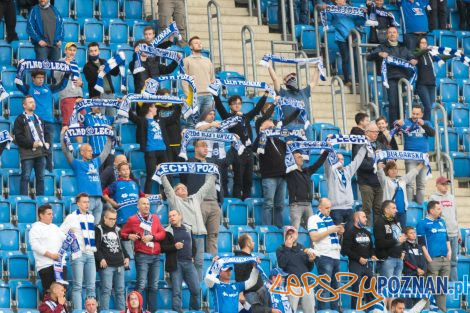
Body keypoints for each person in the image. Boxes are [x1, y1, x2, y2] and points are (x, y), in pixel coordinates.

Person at [161, 170, 216, 280]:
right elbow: (167, 189)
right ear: (175, 193)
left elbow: (206, 187)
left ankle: (198, 288)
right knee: (184, 264)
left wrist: (214, 174)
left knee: (199, 263)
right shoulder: (175, 201)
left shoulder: (195, 198)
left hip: (200, 236)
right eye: (178, 189)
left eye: (184, 188)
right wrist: (162, 175)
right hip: (186, 236)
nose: (182, 190)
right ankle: (184, 287)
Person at [214, 92, 268, 200]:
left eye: (239, 103)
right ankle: (238, 201)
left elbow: (257, 109)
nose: (237, 105)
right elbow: (219, 107)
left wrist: (265, 96)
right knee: (238, 180)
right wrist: (215, 94)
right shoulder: (228, 117)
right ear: (230, 105)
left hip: (249, 151)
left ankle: (246, 201)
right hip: (237, 151)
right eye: (234, 103)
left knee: (248, 180)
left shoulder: (246, 117)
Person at [16, 69, 69, 171]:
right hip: (34, 123)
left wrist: (66, 75)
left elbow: (61, 86)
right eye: (38, 78)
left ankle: (48, 171)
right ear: (33, 79)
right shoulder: (29, 88)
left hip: (49, 122)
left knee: (48, 147)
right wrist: (20, 70)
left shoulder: (48, 88)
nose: (41, 80)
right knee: (35, 146)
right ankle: (34, 171)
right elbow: (18, 84)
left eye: (42, 78)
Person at [120, 197, 166, 313]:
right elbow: (122, 233)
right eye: (144, 204)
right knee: (141, 284)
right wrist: (128, 236)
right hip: (142, 255)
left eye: (148, 204)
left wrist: (153, 237)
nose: (147, 206)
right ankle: (136, 311)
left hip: (155, 256)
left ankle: (151, 311)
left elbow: (163, 233)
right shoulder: (132, 219)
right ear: (138, 206)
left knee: (154, 286)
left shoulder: (155, 218)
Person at [367, 26, 418, 124]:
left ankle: (401, 125)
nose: (392, 34)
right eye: (390, 32)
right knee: (393, 103)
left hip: (403, 77)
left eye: (394, 32)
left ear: (397, 35)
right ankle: (393, 126)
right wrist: (379, 54)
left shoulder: (403, 46)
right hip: (391, 77)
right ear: (387, 35)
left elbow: (411, 56)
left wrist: (413, 60)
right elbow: (369, 57)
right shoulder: (382, 46)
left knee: (402, 104)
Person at [179, 140, 223, 255]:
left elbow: (226, 162)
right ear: (196, 148)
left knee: (213, 235)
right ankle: (197, 259)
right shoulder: (189, 163)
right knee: (197, 234)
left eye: (206, 146)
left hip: (214, 203)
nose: (206, 148)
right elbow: (183, 178)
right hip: (199, 203)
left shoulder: (212, 163)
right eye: (202, 146)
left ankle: (213, 262)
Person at [61, 127, 112, 224]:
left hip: (98, 199)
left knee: (95, 228)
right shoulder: (77, 164)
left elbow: (105, 152)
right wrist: (62, 135)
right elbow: (66, 151)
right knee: (87, 227)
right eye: (88, 150)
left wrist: (109, 136)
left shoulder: (95, 162)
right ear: (82, 152)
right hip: (87, 199)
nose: (91, 152)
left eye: (91, 150)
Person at [129, 102, 181, 194]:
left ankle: (167, 196)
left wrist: (180, 106)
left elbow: (173, 118)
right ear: (150, 108)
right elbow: (132, 116)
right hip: (150, 151)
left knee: (166, 175)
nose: (156, 109)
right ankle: (147, 196)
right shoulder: (143, 120)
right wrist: (126, 104)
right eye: (154, 107)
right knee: (151, 175)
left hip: (163, 150)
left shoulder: (160, 120)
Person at [60, 193, 97, 310]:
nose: (87, 204)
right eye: (84, 202)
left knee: (91, 286)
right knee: (78, 286)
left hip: (90, 254)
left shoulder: (91, 217)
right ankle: (78, 311)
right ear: (78, 204)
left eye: (88, 202)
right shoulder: (71, 217)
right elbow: (61, 232)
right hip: (78, 255)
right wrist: (71, 243)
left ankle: (92, 310)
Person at [160, 209, 200, 313]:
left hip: (189, 263)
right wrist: (174, 246)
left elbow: (193, 245)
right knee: (177, 292)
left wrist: (193, 255)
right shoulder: (167, 231)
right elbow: (162, 248)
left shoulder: (188, 228)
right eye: (169, 216)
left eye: (173, 215)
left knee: (196, 289)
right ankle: (177, 311)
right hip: (175, 264)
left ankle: (194, 311)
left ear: (180, 216)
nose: (171, 218)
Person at [308, 198, 344, 311]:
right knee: (324, 287)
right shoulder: (313, 219)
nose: (329, 210)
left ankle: (334, 310)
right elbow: (314, 237)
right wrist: (331, 230)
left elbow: (331, 239)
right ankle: (322, 310)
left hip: (335, 256)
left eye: (330, 208)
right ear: (320, 207)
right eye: (327, 208)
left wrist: (339, 233)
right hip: (324, 256)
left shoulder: (330, 220)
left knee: (336, 288)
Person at [395, 104, 435, 204]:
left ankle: (420, 207)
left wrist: (423, 125)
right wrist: (397, 124)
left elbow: (432, 133)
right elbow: (395, 129)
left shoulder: (426, 123)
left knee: (421, 185)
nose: (415, 116)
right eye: (413, 113)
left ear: (421, 114)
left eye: (417, 114)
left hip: (423, 158)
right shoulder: (406, 122)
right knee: (409, 183)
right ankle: (409, 207)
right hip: (410, 157)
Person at [320, 0, 365, 86]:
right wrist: (324, 9)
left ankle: (357, 80)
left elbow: (359, 21)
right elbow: (327, 19)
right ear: (336, 1)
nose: (343, 0)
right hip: (341, 38)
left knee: (356, 58)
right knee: (346, 58)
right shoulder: (332, 8)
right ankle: (347, 80)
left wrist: (363, 13)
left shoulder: (351, 9)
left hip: (352, 36)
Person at [416, 201, 451, 311]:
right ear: (431, 210)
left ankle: (442, 310)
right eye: (438, 209)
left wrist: (449, 251)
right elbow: (421, 243)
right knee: (430, 288)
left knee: (442, 289)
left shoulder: (442, 222)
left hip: (445, 259)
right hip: (433, 260)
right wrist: (428, 258)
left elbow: (447, 238)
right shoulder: (422, 223)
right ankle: (425, 310)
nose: (440, 211)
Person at [13, 95, 51, 196]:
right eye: (30, 102)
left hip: (41, 153)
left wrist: (48, 142)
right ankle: (24, 200)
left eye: (33, 102)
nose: (33, 104)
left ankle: (41, 201)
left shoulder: (39, 118)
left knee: (41, 178)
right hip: (27, 154)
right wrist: (32, 144)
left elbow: (46, 133)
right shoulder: (20, 119)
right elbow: (19, 137)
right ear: (24, 105)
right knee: (25, 177)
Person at [95, 207, 130, 311]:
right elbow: (95, 247)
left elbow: (121, 246)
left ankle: (121, 311)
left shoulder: (117, 229)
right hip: (107, 266)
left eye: (114, 219)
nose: (113, 221)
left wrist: (127, 256)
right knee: (106, 291)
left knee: (120, 291)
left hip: (120, 265)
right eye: (110, 219)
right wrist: (101, 258)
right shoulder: (98, 229)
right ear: (104, 218)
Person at [341, 211, 377, 309]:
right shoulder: (349, 232)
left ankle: (371, 309)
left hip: (366, 265)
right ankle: (355, 310)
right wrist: (358, 258)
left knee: (370, 288)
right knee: (356, 289)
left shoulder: (367, 233)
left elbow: (371, 247)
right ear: (357, 218)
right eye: (364, 217)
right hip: (355, 264)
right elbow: (345, 250)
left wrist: (373, 255)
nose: (366, 219)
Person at [255, 119, 287, 228]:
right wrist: (260, 134)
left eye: (273, 128)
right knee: (268, 204)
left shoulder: (279, 141)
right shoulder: (262, 141)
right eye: (269, 128)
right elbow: (254, 148)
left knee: (280, 205)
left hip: (282, 177)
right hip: (269, 177)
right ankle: (267, 228)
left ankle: (279, 228)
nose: (272, 130)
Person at [325, 145, 368, 226]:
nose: (341, 161)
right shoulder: (330, 171)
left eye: (342, 159)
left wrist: (365, 147)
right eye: (338, 159)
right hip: (336, 209)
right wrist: (327, 147)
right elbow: (326, 163)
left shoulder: (348, 171)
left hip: (349, 208)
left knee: (349, 235)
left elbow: (357, 161)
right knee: (338, 234)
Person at [276, 226, 316, 313]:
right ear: (285, 236)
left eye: (293, 233)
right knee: (291, 311)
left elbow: (309, 268)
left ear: (297, 235)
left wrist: (311, 261)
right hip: (292, 285)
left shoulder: (303, 248)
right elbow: (282, 265)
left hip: (306, 284)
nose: (291, 236)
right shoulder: (281, 249)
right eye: (289, 234)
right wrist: (287, 248)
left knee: (310, 311)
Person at [286, 150, 328, 230]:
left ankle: (313, 243)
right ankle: (293, 243)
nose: (301, 159)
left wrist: (326, 152)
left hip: (308, 205)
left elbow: (317, 164)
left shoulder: (307, 171)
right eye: (299, 157)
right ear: (292, 160)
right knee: (295, 230)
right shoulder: (290, 172)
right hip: (296, 205)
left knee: (313, 230)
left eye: (301, 157)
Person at [353, 122, 386, 223]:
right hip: (366, 182)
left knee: (379, 209)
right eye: (373, 132)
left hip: (379, 182)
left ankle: (377, 233)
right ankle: (367, 232)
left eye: (377, 132)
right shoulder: (359, 145)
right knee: (366, 209)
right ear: (366, 132)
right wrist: (375, 163)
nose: (376, 134)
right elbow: (360, 163)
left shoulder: (380, 145)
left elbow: (384, 160)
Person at [429, 176, 460, 282]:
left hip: (454, 233)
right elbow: (431, 217)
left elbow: (455, 216)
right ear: (437, 185)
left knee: (454, 262)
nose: (445, 186)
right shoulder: (433, 198)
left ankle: (454, 286)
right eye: (443, 184)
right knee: (442, 262)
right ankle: (443, 286)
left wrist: (459, 232)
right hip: (442, 235)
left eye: (446, 184)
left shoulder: (452, 197)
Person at [30, 204, 67, 292]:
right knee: (50, 293)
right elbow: (35, 246)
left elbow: (65, 239)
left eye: (52, 214)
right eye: (49, 214)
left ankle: (61, 306)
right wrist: (51, 255)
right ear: (41, 215)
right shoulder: (35, 229)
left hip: (60, 265)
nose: (52, 216)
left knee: (62, 292)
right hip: (46, 266)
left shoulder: (55, 227)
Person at [131, 26, 180, 92]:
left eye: (149, 34)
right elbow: (133, 64)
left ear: (154, 35)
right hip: (141, 94)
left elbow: (168, 69)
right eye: (146, 34)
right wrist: (137, 52)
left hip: (155, 88)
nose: (147, 36)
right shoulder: (135, 62)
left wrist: (177, 59)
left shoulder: (155, 60)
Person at [377, 161, 424, 227]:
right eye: (391, 169)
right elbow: (380, 175)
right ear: (387, 171)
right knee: (392, 230)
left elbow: (411, 174)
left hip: (402, 211)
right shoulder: (385, 180)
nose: (394, 171)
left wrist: (420, 165)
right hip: (390, 212)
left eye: (395, 168)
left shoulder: (401, 180)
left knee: (403, 231)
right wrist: (379, 168)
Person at [195, 108, 230, 195]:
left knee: (223, 180)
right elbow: (198, 130)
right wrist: (210, 125)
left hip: (221, 156)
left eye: (213, 114)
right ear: (204, 115)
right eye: (210, 114)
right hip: (208, 156)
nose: (212, 116)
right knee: (210, 180)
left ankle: (223, 200)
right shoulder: (201, 123)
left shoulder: (218, 124)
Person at [103, 162, 145, 226]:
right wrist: (112, 202)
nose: (126, 171)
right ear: (119, 172)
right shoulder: (116, 184)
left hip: (137, 218)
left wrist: (157, 196)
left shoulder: (134, 183)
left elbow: (143, 196)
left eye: (127, 169)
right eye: (123, 170)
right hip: (123, 218)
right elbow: (104, 194)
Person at [374, 201, 406, 280]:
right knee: (387, 289)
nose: (396, 210)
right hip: (387, 259)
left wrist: (403, 251)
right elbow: (379, 243)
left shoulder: (396, 222)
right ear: (386, 210)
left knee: (396, 288)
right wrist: (396, 240)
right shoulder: (379, 222)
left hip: (399, 258)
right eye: (394, 208)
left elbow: (401, 238)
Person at [54, 42, 84, 127]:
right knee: (66, 124)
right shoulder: (60, 62)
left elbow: (80, 81)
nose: (72, 52)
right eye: (70, 50)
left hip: (79, 97)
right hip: (67, 97)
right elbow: (56, 76)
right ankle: (64, 140)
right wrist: (64, 67)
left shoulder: (75, 63)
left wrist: (81, 83)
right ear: (65, 51)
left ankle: (80, 141)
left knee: (80, 124)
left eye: (74, 50)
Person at [183, 36, 215, 113]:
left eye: (200, 43)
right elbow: (184, 81)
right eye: (196, 43)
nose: (199, 44)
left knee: (207, 123)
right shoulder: (186, 60)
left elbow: (212, 79)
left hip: (208, 96)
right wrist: (189, 96)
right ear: (190, 46)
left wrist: (212, 95)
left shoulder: (208, 60)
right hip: (194, 96)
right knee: (192, 123)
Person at [83, 106, 115, 171]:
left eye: (100, 104)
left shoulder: (107, 118)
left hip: (109, 154)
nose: (99, 106)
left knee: (110, 177)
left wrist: (120, 103)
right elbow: (75, 118)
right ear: (91, 106)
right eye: (96, 104)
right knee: (98, 177)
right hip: (95, 154)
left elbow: (122, 118)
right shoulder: (86, 117)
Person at [234, 234, 264, 305]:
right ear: (248, 243)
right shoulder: (240, 258)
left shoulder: (250, 257)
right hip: (251, 294)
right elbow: (239, 276)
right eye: (252, 241)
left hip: (258, 293)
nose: (254, 243)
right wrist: (240, 293)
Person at [402, 226, 427, 308]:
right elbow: (406, 260)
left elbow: (424, 260)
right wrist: (416, 269)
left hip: (420, 275)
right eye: (411, 233)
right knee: (408, 297)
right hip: (409, 274)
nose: (413, 234)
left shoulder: (419, 246)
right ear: (406, 235)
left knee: (419, 298)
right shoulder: (404, 245)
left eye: (414, 233)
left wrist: (424, 270)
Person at [156, 89, 182, 162]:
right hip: (163, 142)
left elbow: (174, 118)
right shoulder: (155, 108)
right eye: (163, 97)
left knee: (178, 165)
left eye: (167, 97)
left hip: (176, 141)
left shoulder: (176, 106)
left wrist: (162, 120)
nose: (165, 99)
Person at [413, 38, 436, 121]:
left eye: (425, 43)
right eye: (422, 43)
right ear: (418, 44)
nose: (424, 44)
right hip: (421, 84)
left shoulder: (430, 54)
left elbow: (442, 57)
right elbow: (416, 54)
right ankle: (426, 126)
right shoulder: (416, 53)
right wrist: (426, 49)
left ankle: (423, 124)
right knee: (428, 106)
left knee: (430, 107)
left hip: (432, 85)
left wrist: (456, 54)